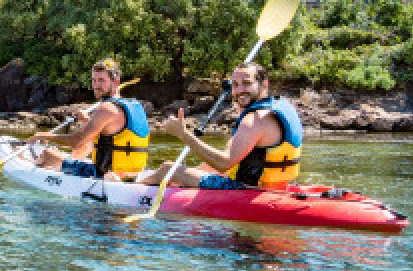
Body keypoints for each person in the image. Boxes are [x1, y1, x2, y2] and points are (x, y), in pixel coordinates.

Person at [137, 62, 302, 191]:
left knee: (168, 169)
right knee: (182, 171)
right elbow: (234, 160)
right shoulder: (277, 108)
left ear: (264, 84)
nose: (239, 90)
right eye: (235, 85)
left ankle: (130, 187)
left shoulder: (253, 120)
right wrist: (191, 174)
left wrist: (184, 135)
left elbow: (224, 164)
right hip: (277, 188)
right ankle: (145, 180)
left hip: (245, 190)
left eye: (246, 83)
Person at [27, 59, 149, 180]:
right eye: (94, 80)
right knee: (88, 143)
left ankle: (53, 167)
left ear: (116, 81)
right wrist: (88, 120)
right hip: (133, 174)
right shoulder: (134, 105)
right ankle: (65, 165)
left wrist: (44, 136)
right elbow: (116, 130)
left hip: (104, 175)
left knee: (48, 155)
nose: (96, 86)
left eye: (101, 80)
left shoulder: (106, 108)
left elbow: (76, 140)